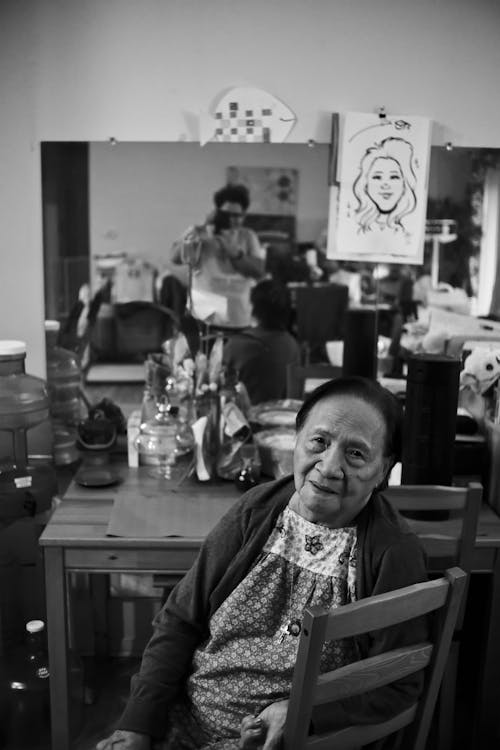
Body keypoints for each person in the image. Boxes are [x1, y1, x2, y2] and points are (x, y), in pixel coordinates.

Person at [97, 377, 428, 750]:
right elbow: (180, 620)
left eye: (356, 454)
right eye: (319, 442)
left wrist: (304, 710)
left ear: (384, 470)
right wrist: (139, 724)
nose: (329, 466)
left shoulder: (392, 552)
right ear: (297, 441)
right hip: (185, 719)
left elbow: (400, 680)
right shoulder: (255, 510)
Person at [172, 184, 266, 328]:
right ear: (216, 212)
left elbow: (259, 271)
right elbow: (175, 257)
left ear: (244, 215)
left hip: (238, 319)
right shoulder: (199, 232)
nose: (231, 220)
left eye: (237, 216)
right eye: (226, 215)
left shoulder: (248, 237)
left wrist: (236, 254)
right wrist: (202, 229)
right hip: (204, 319)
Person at [222, 279, 300, 404]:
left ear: (254, 307)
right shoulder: (292, 345)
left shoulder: (237, 345)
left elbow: (224, 390)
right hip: (283, 417)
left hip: (243, 419)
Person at [352, 137, 418, 235]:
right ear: (365, 185)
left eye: (394, 177)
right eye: (377, 177)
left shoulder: (407, 230)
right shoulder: (357, 230)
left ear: (404, 185)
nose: (385, 184)